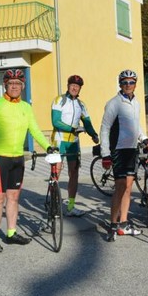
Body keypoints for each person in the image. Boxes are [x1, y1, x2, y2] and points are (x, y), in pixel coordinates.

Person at [0, 69, 53, 253]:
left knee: (14, 197)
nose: (14, 87)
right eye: (11, 83)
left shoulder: (26, 107)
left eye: (18, 83)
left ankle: (11, 233)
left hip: (18, 158)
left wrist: (48, 147)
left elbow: (34, 130)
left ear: (22, 86)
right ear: (5, 85)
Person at [100, 69, 148, 242]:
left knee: (128, 187)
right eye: (125, 82)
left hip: (132, 149)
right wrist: (105, 154)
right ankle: (113, 224)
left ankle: (123, 223)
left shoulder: (136, 102)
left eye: (131, 82)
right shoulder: (114, 103)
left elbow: (135, 125)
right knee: (120, 187)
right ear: (120, 84)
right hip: (118, 149)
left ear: (135, 84)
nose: (128, 85)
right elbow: (105, 128)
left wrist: (144, 138)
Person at [50, 74, 99, 217]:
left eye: (77, 86)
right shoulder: (59, 100)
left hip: (74, 143)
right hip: (59, 141)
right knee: (56, 173)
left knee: (74, 173)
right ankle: (53, 205)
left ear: (80, 89)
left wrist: (94, 135)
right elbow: (55, 122)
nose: (74, 88)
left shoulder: (81, 104)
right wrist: (72, 129)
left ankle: (71, 206)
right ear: (68, 86)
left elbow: (87, 122)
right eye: (72, 85)